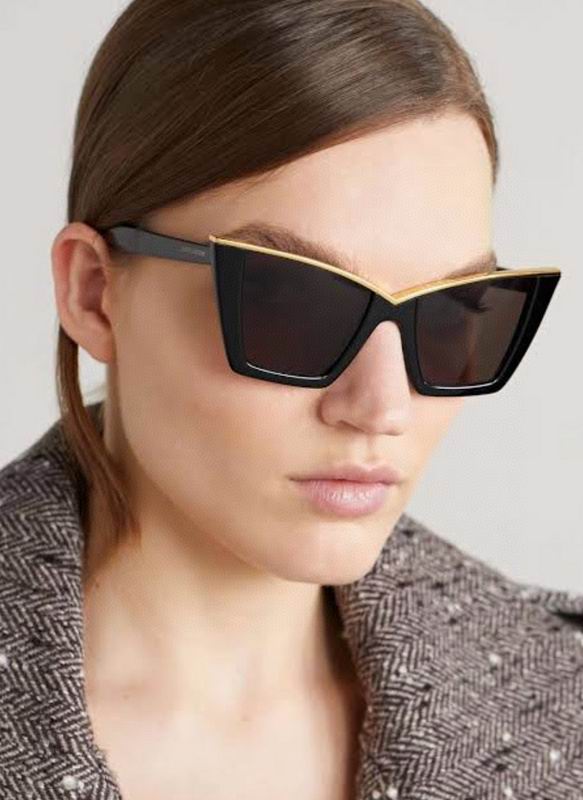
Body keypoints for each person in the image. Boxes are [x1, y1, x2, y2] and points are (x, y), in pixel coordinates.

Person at [1, 1, 581, 799]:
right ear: (94, 294)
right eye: (293, 305)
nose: (381, 407)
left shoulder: (561, 703)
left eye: (452, 313)